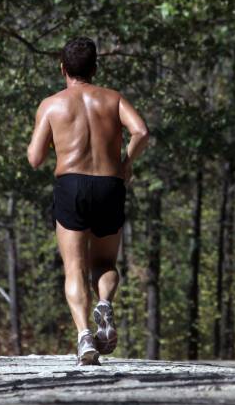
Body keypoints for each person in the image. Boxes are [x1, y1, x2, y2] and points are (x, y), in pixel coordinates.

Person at [27, 37, 150, 365]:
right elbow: (142, 132)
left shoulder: (52, 104)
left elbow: (35, 158)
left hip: (71, 186)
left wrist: (54, 140)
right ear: (95, 68)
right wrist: (126, 163)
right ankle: (105, 303)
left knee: (75, 268)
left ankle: (84, 338)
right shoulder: (113, 99)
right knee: (105, 264)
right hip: (110, 185)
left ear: (62, 67)